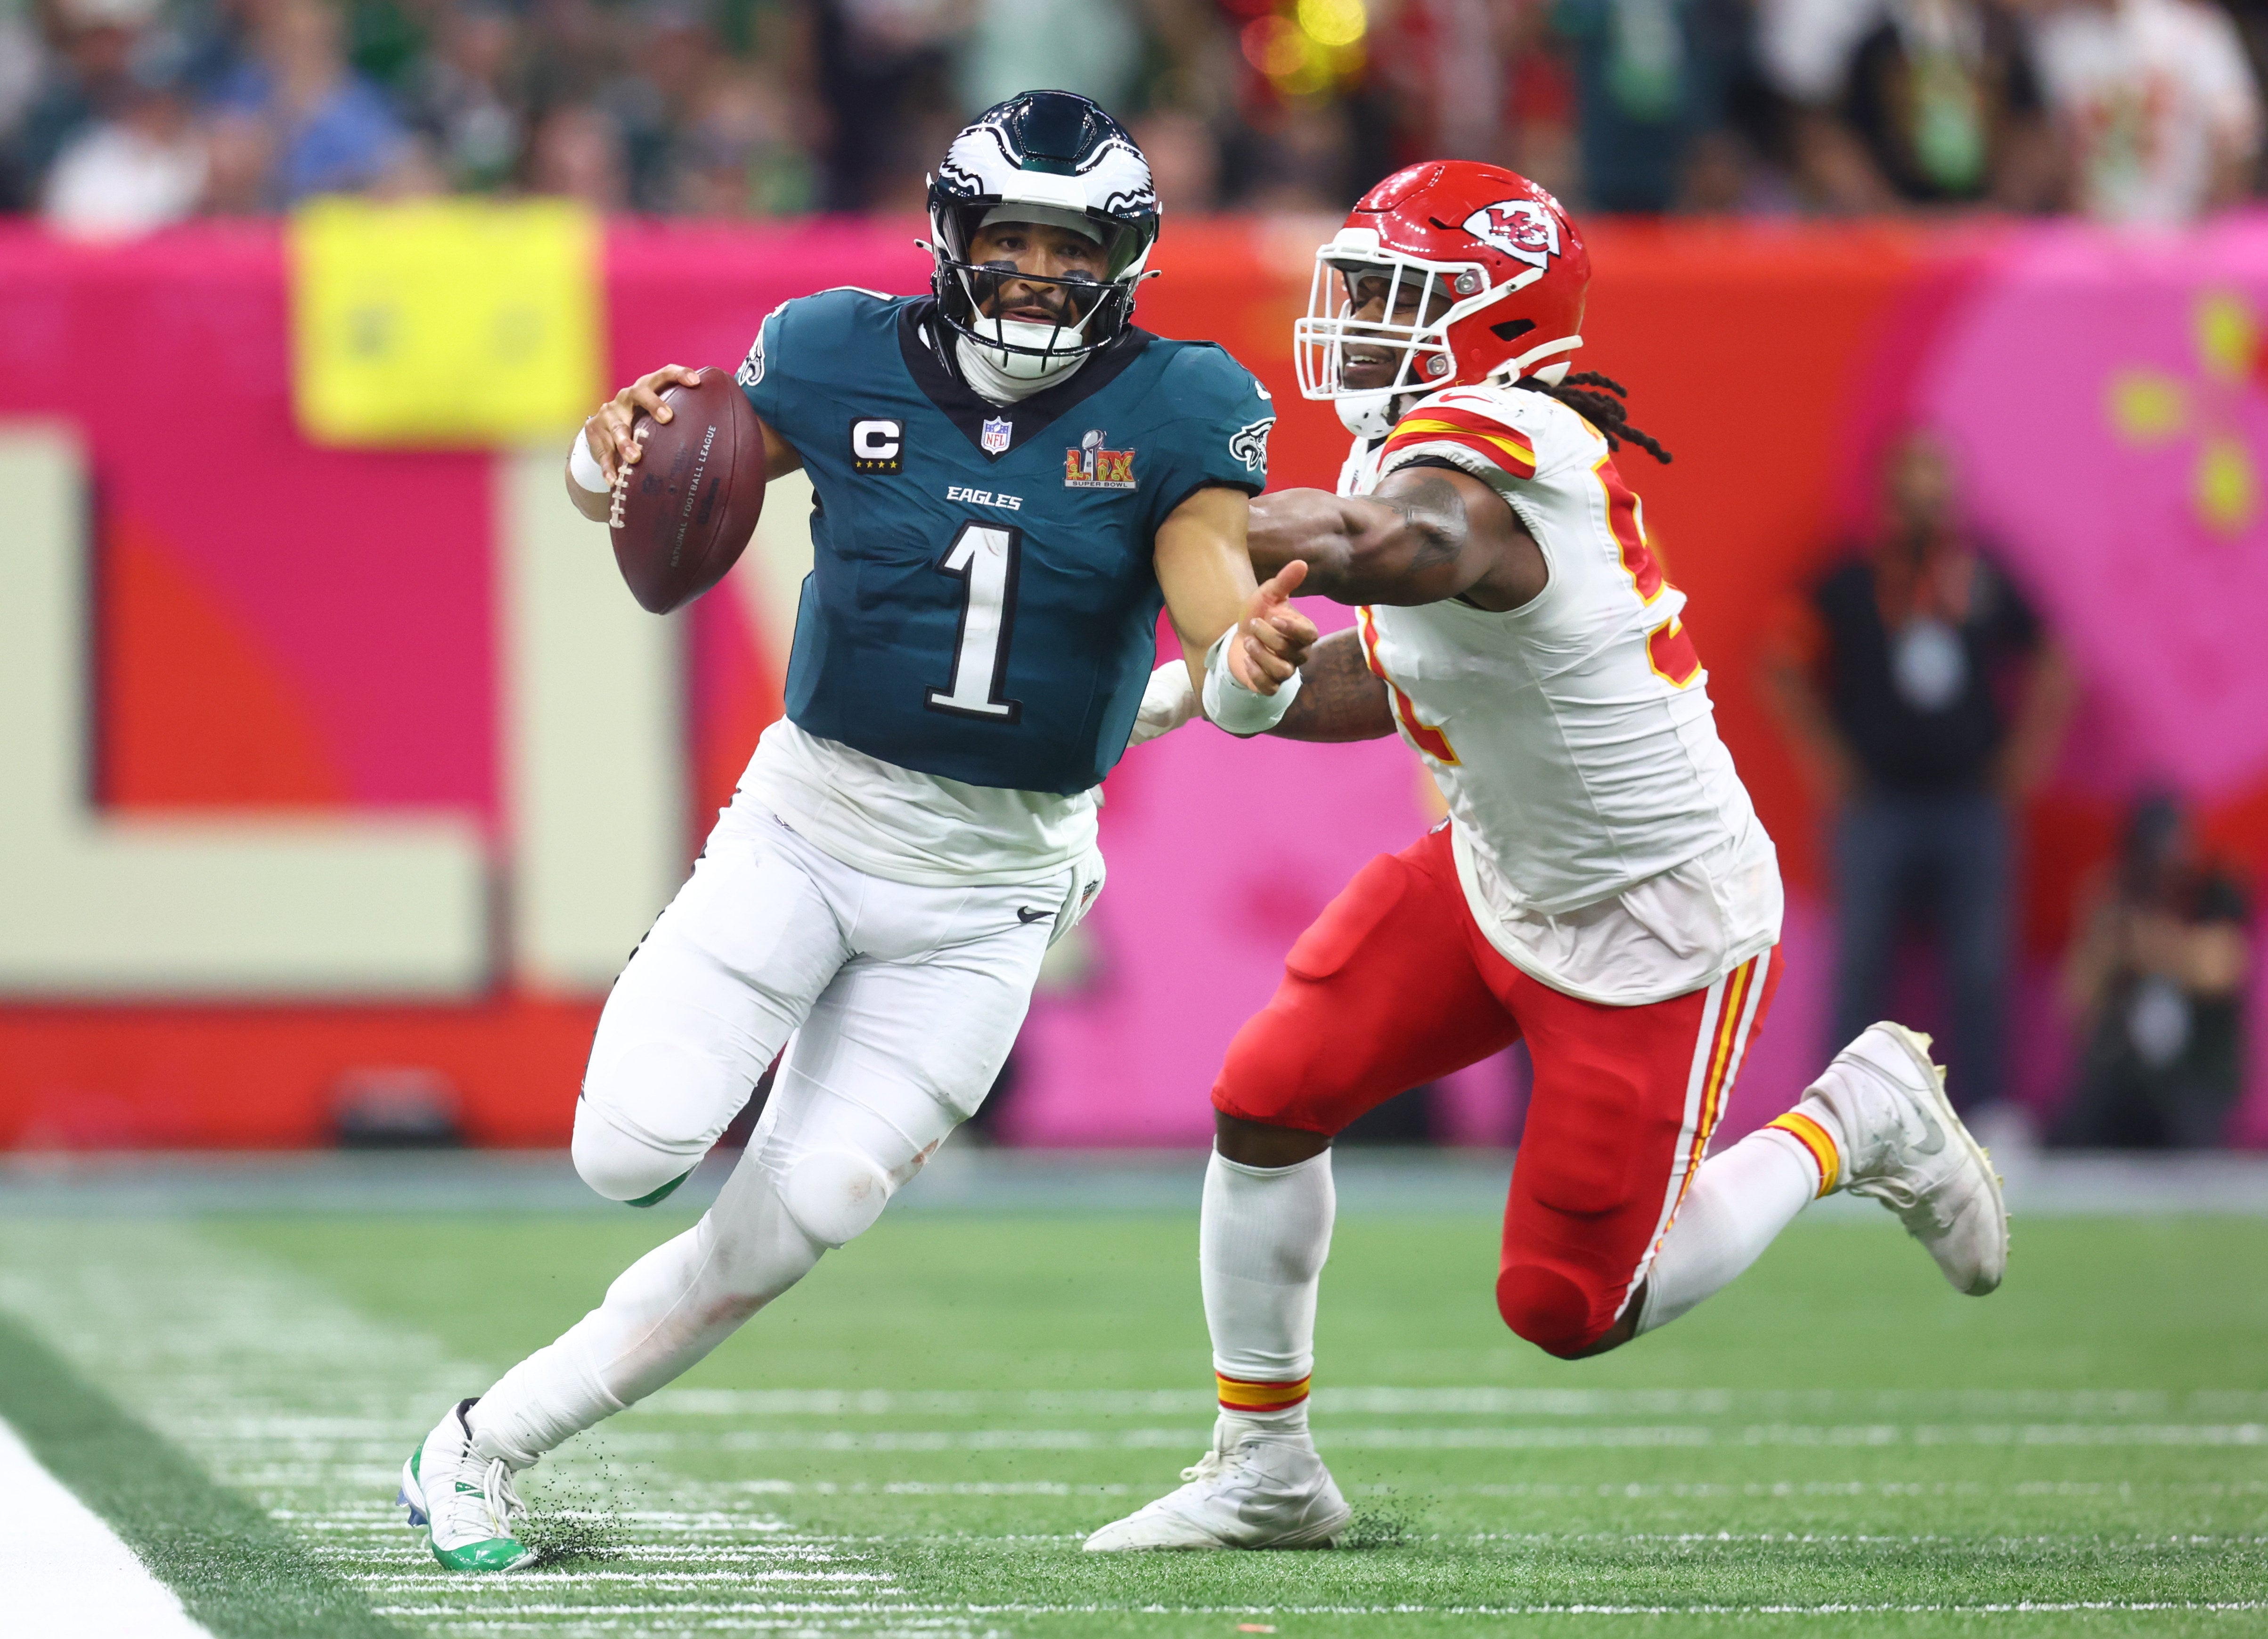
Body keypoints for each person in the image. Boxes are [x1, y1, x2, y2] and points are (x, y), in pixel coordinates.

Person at [398, 90, 1317, 1574]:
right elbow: (648, 475)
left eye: (1071, 246)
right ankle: (689, 976)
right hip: (812, 821)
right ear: (951, 235)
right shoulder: (833, 348)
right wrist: (598, 449)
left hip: (992, 882)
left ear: (1124, 260)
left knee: (804, 1208)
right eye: (1011, 236)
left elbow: (1219, 618)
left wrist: (1246, 673)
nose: (1036, 271)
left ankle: (475, 1444)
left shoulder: (1177, 402)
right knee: (623, 1150)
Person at [1084, 160, 2009, 1552]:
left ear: (1498, 317)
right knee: (1267, 1095)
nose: (1359, 322)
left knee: (1570, 1305)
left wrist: (1151, 506)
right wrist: (1213, 688)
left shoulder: (1509, 444)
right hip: (1493, 866)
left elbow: (1393, 545)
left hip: (1648, 914)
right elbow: (1399, 669)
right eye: (1361, 289)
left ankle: (1853, 1119)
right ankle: (1264, 1469)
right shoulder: (1407, 448)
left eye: (1396, 296)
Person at [1762, 432, 2072, 1118]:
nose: (1925, 510)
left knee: (1980, 962)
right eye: (1911, 495)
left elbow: (2053, 658)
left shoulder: (1981, 578)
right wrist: (1823, 757)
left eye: (1936, 495)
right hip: (1877, 803)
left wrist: (2027, 754)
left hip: (1970, 801)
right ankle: (1840, 1112)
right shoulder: (1849, 579)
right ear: (1887, 500)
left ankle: (1987, 1107)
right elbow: (1779, 661)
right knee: (1861, 960)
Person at [2053, 793, 2251, 1150]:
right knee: (2068, 1141)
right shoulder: (2115, 900)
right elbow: (2075, 1002)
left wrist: (2143, 943)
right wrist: (2101, 939)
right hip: (2124, 1077)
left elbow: (2219, 969)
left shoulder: (2213, 893)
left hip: (2193, 1077)